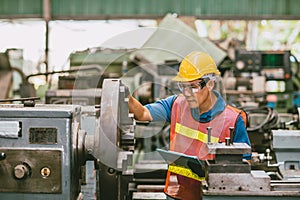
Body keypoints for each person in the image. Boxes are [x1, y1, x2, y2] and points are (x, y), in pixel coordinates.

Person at [128, 51, 251, 200]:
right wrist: (125, 95)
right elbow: (143, 113)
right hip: (177, 194)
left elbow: (245, 165)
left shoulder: (233, 119)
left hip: (214, 196)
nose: (187, 93)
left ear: (210, 84)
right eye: (183, 86)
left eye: (193, 86)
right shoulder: (175, 104)